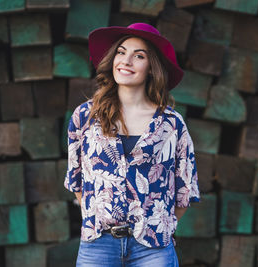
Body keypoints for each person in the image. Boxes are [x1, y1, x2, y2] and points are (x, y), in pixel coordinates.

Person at [64, 22, 200, 267]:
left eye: (139, 56)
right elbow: (77, 182)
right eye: (121, 52)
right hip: (98, 246)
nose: (126, 61)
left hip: (153, 249)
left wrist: (157, 227)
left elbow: (184, 191)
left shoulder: (172, 125)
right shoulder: (84, 117)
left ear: (151, 68)